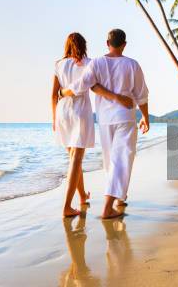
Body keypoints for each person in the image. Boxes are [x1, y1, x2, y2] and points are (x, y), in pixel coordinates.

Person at [62, 29, 149, 219]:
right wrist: (145, 117)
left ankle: (118, 197)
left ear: (106, 43)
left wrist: (62, 93)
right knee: (122, 160)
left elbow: (82, 85)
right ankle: (108, 207)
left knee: (111, 161)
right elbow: (141, 94)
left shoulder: (97, 63)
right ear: (124, 44)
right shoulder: (132, 65)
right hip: (125, 117)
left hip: (105, 120)